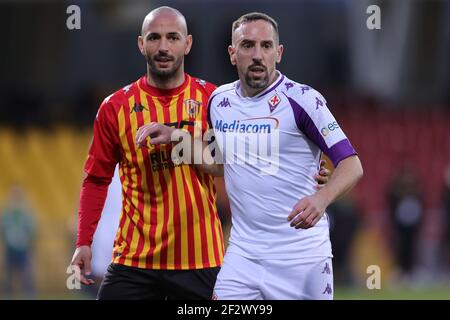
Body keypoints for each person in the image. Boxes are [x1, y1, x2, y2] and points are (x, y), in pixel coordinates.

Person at [71, 6, 330, 300]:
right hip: (134, 261)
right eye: (154, 38)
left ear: (188, 43)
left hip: (201, 260)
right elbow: (95, 179)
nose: (164, 46)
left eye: (173, 37)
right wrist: (84, 241)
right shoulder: (115, 107)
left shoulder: (216, 101)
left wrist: (310, 169)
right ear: (141, 44)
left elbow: (251, 153)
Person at [137, 12, 362, 300]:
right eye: (247, 45)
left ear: (278, 53)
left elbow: (352, 164)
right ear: (233, 53)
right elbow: (219, 164)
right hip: (243, 256)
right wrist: (175, 136)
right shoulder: (219, 101)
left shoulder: (303, 100)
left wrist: (322, 197)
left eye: (266, 46)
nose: (257, 55)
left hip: (301, 259)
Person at [0, 185, 36, 298]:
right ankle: (7, 293)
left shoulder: (25, 214)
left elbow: (31, 230)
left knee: (26, 273)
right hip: (10, 247)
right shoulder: (7, 214)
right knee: (9, 273)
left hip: (23, 247)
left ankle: (29, 293)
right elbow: (3, 230)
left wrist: (29, 243)